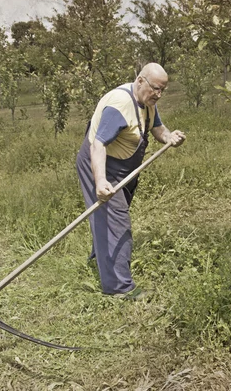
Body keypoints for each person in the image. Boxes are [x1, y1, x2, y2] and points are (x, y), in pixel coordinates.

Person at [76, 63, 185, 298]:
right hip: (100, 164)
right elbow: (98, 145)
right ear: (140, 81)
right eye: (155, 88)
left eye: (162, 90)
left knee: (109, 217)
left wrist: (169, 136)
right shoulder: (120, 105)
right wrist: (101, 181)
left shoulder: (147, 102)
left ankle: (102, 259)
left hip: (123, 167)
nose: (158, 94)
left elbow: (157, 128)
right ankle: (119, 288)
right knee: (117, 222)